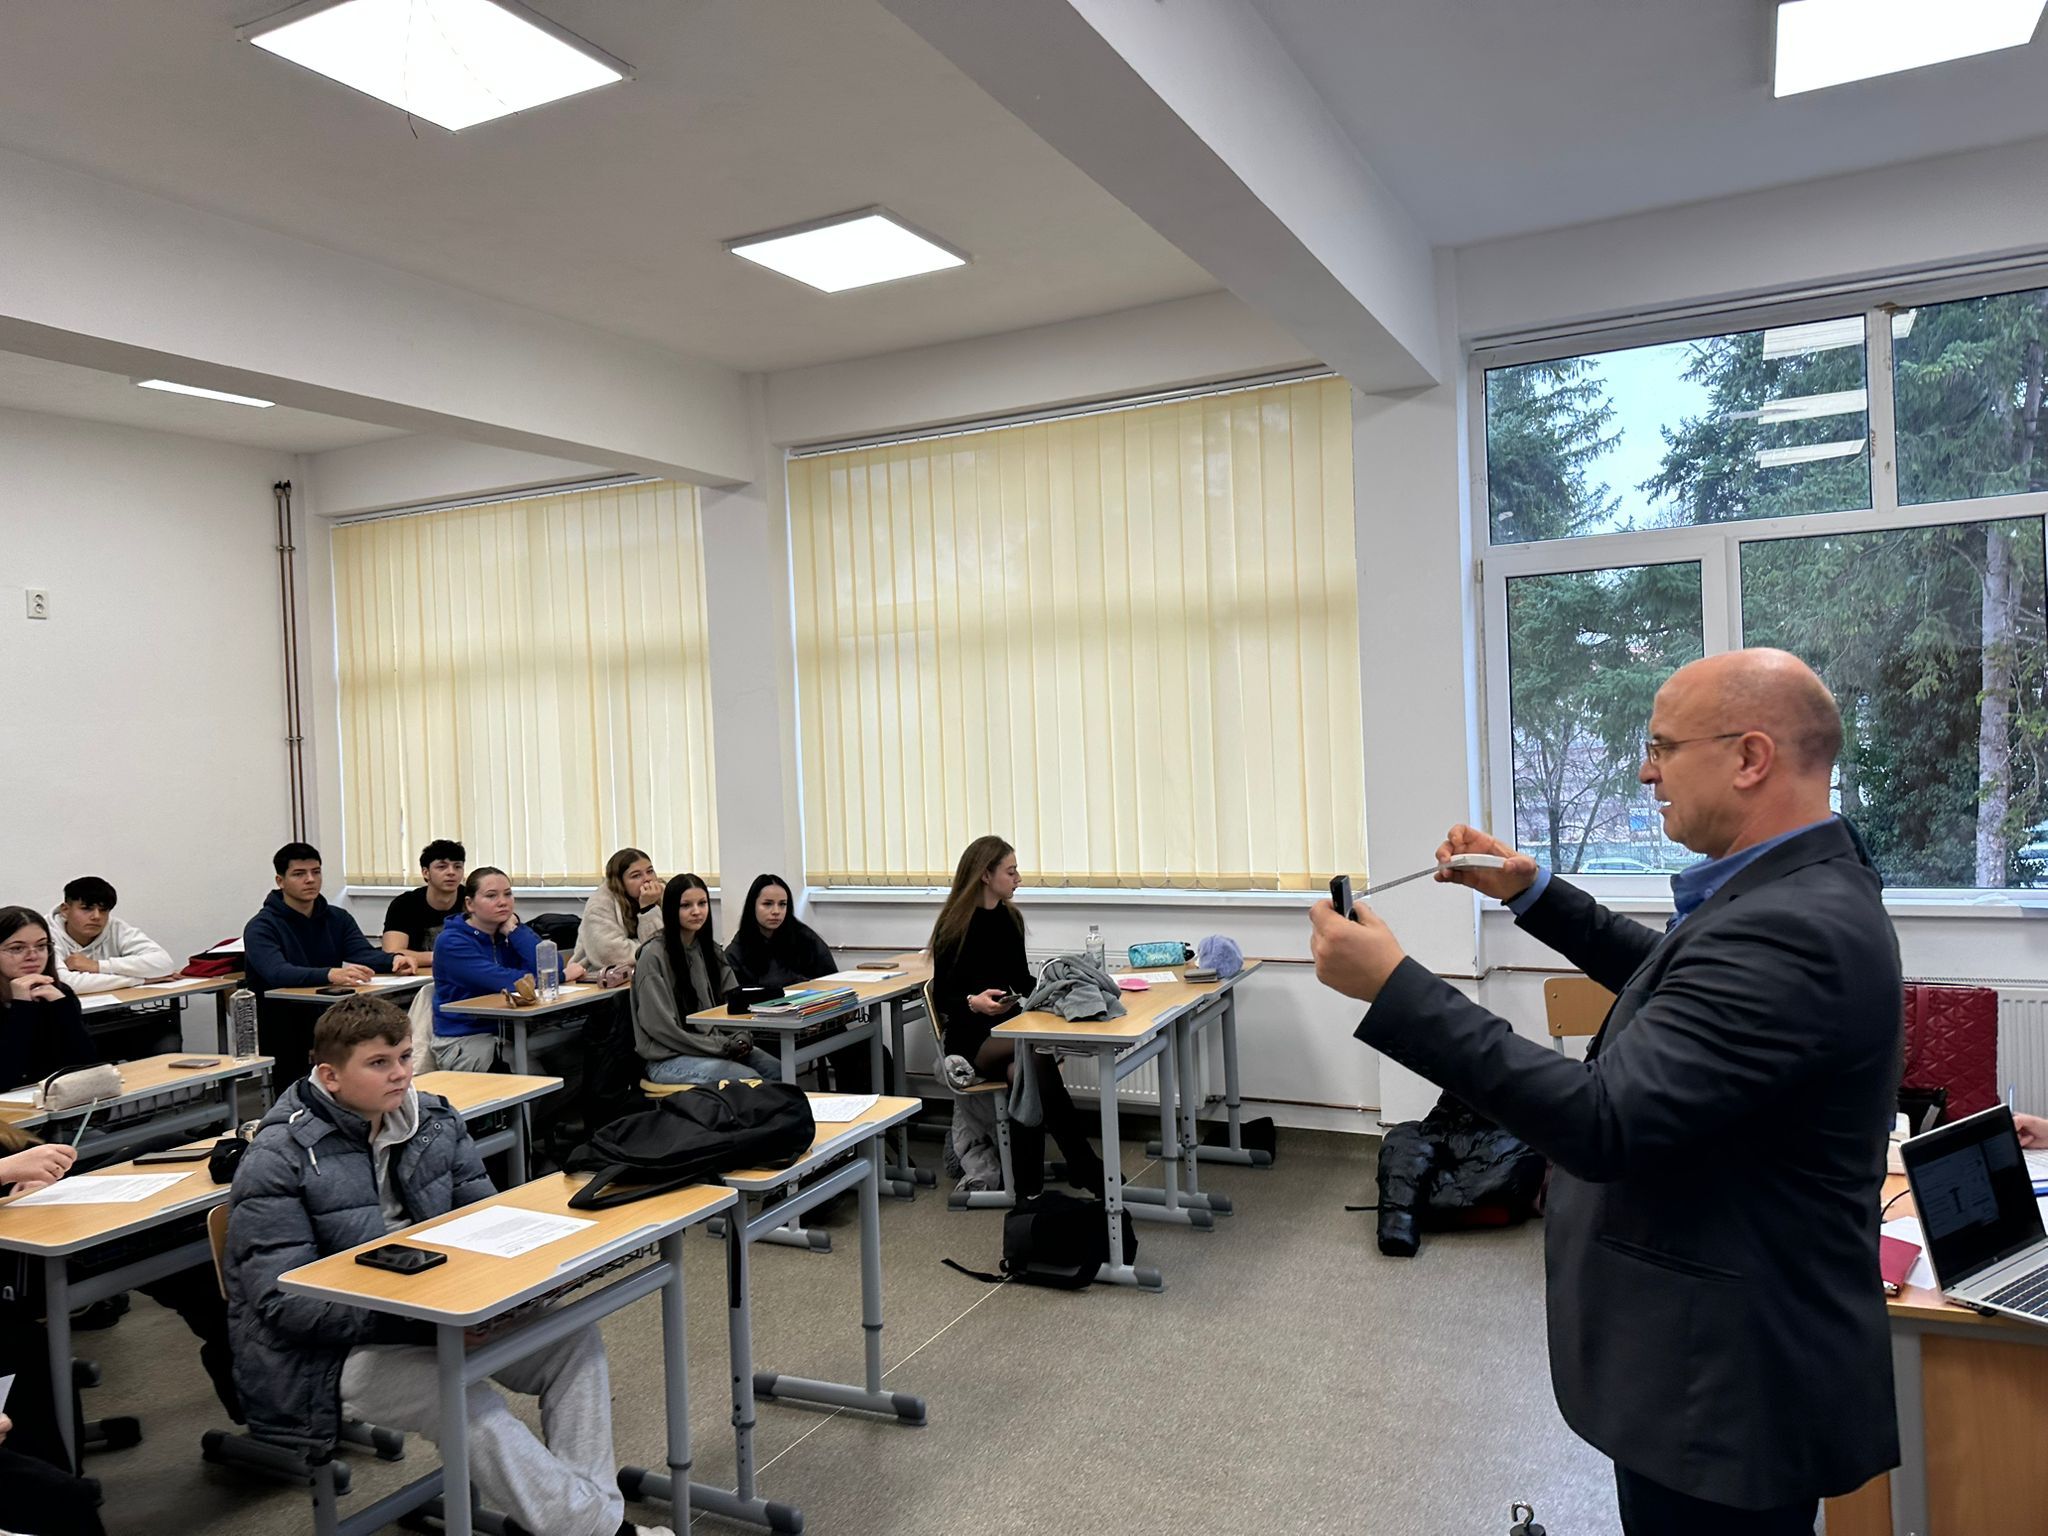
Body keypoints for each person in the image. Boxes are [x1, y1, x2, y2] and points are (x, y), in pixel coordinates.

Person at [1308, 648, 1901, 1536]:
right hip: (1721, 1361)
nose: (1645, 771)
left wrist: (1397, 989)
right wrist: (1532, 892)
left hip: (1725, 1391)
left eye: (1663, 747)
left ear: (1750, 757)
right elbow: (1674, 982)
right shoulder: (1796, 887)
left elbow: (1603, 1119)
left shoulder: (1794, 926)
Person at [223, 995, 673, 1536]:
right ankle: (600, 1530)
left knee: (572, 1341)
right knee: (461, 1398)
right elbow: (283, 1303)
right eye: (378, 1063)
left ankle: (570, 1522)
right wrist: (423, 1324)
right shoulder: (279, 1155)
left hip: (438, 1311)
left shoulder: (433, 1120)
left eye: (405, 1057)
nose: (400, 1074)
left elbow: (485, 1222)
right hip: (331, 1350)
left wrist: (511, 1292)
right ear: (330, 1076)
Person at [0, 905, 244, 1427]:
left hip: (50, 1145)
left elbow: (88, 1074)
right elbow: (9, 1076)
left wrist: (59, 1009)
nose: (31, 958)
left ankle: (258, 1382)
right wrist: (20, 1011)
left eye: (40, 947)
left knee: (177, 1158)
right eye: (16, 949)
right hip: (21, 1167)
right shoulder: (14, 1005)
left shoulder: (56, 993)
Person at [927, 837, 1103, 1198]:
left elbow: (1021, 980)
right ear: (985, 875)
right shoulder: (953, 925)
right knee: (1033, 1054)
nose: (1018, 878)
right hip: (970, 1036)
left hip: (1007, 1028)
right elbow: (944, 996)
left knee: (1024, 1070)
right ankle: (1082, 1163)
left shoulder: (1010, 919)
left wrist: (1055, 989)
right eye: (1011, 871)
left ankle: (1028, 1191)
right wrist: (974, 1002)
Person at [243, 842, 411, 1089]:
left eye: (316, 872)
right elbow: (277, 972)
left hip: (327, 1013)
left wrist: (393, 959)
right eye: (299, 874)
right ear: (280, 881)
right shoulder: (261, 926)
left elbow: (361, 952)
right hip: (280, 1020)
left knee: (363, 1036)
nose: (310, 880)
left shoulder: (336, 917)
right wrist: (330, 974)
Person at [726, 873, 887, 1094]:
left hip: (818, 1024)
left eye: (782, 904)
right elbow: (737, 1005)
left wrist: (824, 1014)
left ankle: (876, 1114)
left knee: (873, 1053)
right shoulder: (738, 950)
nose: (776, 911)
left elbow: (831, 983)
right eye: (767, 904)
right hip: (770, 1035)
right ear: (752, 906)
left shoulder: (803, 938)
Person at [430, 867, 586, 1073]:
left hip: (515, 1028)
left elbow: (551, 965)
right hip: (466, 1038)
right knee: (532, 1075)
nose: (503, 902)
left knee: (580, 1051)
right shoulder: (452, 942)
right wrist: (562, 976)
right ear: (470, 904)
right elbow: (503, 981)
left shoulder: (510, 931)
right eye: (491, 896)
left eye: (508, 894)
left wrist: (514, 931)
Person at [631, 875, 780, 1084]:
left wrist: (741, 1037)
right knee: (749, 1081)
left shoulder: (711, 951)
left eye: (702, 903)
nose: (696, 911)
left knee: (780, 1071)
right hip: (669, 1057)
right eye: (686, 905)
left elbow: (735, 1005)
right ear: (671, 909)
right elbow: (662, 1029)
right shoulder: (653, 956)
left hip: (715, 1047)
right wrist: (720, 1046)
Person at [48, 876, 176, 993]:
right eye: (87, 908)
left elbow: (164, 964)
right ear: (65, 910)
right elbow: (65, 983)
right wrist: (140, 980)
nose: (96, 916)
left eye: (103, 910)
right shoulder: (45, 933)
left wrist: (96, 966)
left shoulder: (116, 928)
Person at [569, 848, 664, 978]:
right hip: (598, 978)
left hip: (645, 972)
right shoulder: (599, 905)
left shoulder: (659, 894)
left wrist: (650, 907)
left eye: (650, 871)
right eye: (636, 875)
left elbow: (666, 945)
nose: (647, 879)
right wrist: (648, 908)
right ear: (620, 881)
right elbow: (612, 956)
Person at [381, 838, 466, 970]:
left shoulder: (473, 899)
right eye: (442, 867)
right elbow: (392, 952)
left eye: (457, 866)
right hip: (416, 975)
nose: (451, 872)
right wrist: (442, 956)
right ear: (425, 873)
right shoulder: (404, 904)